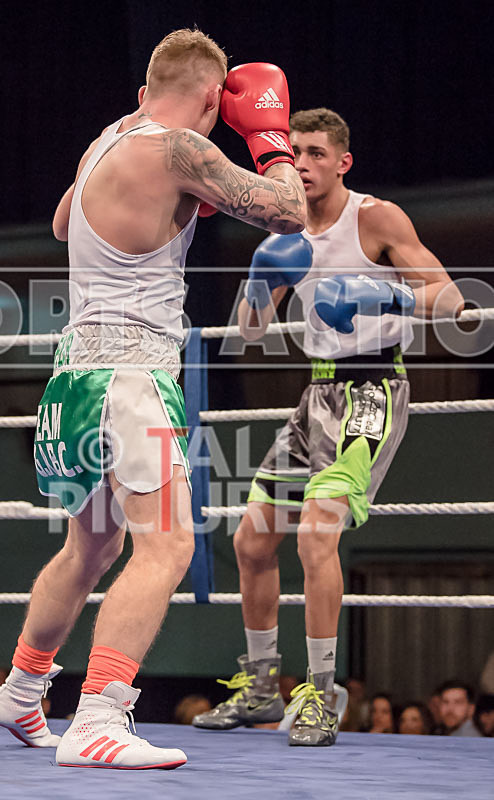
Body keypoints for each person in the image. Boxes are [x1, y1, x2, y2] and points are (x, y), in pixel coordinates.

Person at [0, 29, 305, 770]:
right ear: (211, 102)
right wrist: (271, 136)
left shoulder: (108, 139)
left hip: (74, 375)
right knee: (169, 544)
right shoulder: (179, 148)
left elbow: (65, 223)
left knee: (93, 544)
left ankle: (24, 688)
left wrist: (178, 200)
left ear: (145, 90)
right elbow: (287, 210)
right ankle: (99, 714)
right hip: (131, 375)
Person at [193, 107, 464, 746]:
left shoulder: (376, 218)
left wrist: (382, 294)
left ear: (342, 162)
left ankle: (319, 694)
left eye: (316, 153)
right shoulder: (283, 230)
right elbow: (252, 332)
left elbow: (453, 301)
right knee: (252, 543)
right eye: (295, 152)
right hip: (316, 392)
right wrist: (261, 276)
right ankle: (261, 688)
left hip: (374, 389)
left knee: (317, 537)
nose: (304, 164)